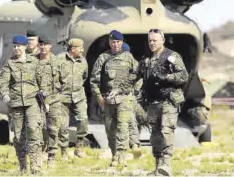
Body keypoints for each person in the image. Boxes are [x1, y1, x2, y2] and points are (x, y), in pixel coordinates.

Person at [119, 29, 189, 176]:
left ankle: (166, 165)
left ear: (162, 40)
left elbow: (183, 75)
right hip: (152, 102)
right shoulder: (146, 60)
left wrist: (167, 77)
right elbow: (134, 77)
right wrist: (119, 89)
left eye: (155, 40)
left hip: (168, 100)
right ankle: (158, 167)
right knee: (155, 135)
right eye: (150, 40)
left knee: (166, 130)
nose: (152, 43)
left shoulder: (172, 56)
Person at [90, 30, 138, 167]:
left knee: (123, 126)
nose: (115, 44)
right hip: (108, 100)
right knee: (110, 129)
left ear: (122, 42)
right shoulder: (103, 58)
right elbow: (94, 80)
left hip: (124, 99)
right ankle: (114, 154)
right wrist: (99, 97)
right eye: (113, 42)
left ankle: (121, 156)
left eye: (118, 42)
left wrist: (134, 92)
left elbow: (138, 75)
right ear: (109, 43)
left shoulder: (129, 58)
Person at [0, 35, 43, 174]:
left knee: (33, 130)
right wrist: (5, 93)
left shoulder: (34, 62)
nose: (16, 48)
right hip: (16, 102)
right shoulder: (9, 63)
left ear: (25, 47)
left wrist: (44, 96)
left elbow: (41, 81)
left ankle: (35, 165)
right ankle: (23, 165)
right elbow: (3, 82)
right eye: (15, 46)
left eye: (19, 46)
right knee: (18, 136)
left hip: (32, 102)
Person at [55, 38, 89, 158]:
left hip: (79, 96)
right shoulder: (59, 59)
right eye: (80, 47)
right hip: (62, 97)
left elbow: (84, 77)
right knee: (63, 125)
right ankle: (64, 150)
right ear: (73, 49)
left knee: (83, 120)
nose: (82, 50)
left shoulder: (83, 61)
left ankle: (79, 147)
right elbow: (54, 78)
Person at [36, 35, 66, 165]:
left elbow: (65, 82)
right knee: (38, 127)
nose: (43, 47)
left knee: (53, 128)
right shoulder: (33, 61)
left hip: (54, 100)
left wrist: (55, 97)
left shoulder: (58, 62)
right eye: (41, 44)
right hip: (36, 101)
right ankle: (40, 152)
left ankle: (52, 156)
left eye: (45, 44)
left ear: (50, 46)